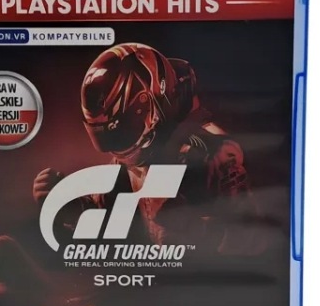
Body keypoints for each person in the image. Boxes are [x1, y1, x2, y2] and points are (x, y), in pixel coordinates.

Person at [33, 43, 254, 254]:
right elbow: (111, 208)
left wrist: (193, 227)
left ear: (150, 108)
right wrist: (72, 207)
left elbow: (251, 243)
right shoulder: (137, 154)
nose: (118, 148)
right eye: (110, 137)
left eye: (122, 132)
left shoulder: (214, 153)